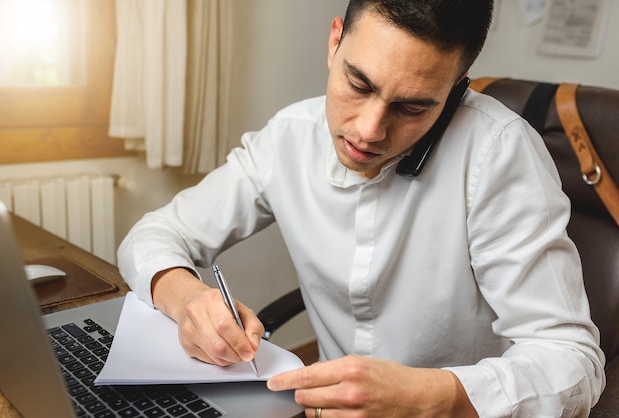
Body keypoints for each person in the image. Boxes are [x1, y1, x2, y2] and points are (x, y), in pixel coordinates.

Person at [117, 0, 606, 416]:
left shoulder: (501, 154)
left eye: (412, 107)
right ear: (335, 44)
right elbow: (153, 235)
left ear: (455, 92)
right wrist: (184, 297)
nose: (369, 131)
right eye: (359, 84)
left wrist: (431, 398)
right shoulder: (286, 138)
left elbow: (573, 362)